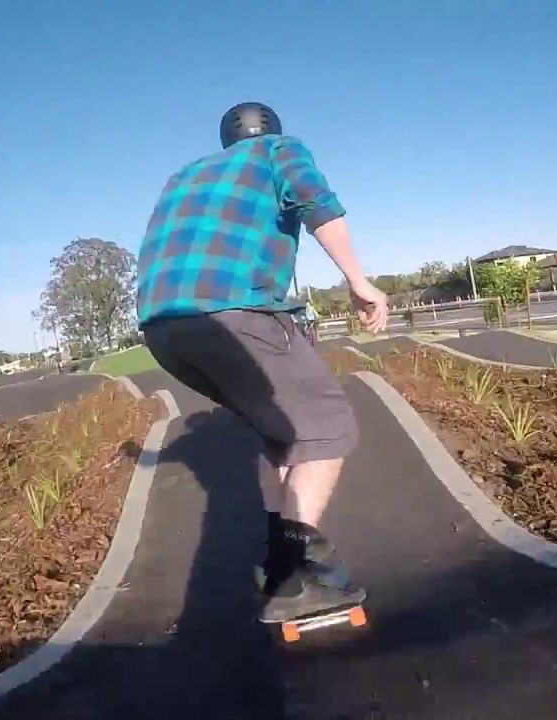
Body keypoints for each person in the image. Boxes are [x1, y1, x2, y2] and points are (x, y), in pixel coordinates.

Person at [136, 101, 388, 622]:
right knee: (327, 427)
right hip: (234, 311)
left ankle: (280, 560)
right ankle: (293, 573)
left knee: (279, 434)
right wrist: (359, 284)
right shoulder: (279, 150)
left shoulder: (182, 176)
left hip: (162, 326)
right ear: (269, 131)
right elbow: (319, 205)